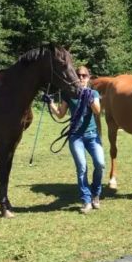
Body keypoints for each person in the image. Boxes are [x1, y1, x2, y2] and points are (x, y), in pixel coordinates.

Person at [44, 65, 105, 213]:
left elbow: (97, 111)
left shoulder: (93, 93)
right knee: (82, 167)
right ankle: (86, 200)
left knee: (100, 164)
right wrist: (50, 103)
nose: (81, 78)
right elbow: (60, 114)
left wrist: (88, 97)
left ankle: (96, 194)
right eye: (79, 75)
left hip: (92, 136)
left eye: (84, 75)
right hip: (76, 137)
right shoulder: (68, 94)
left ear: (89, 78)